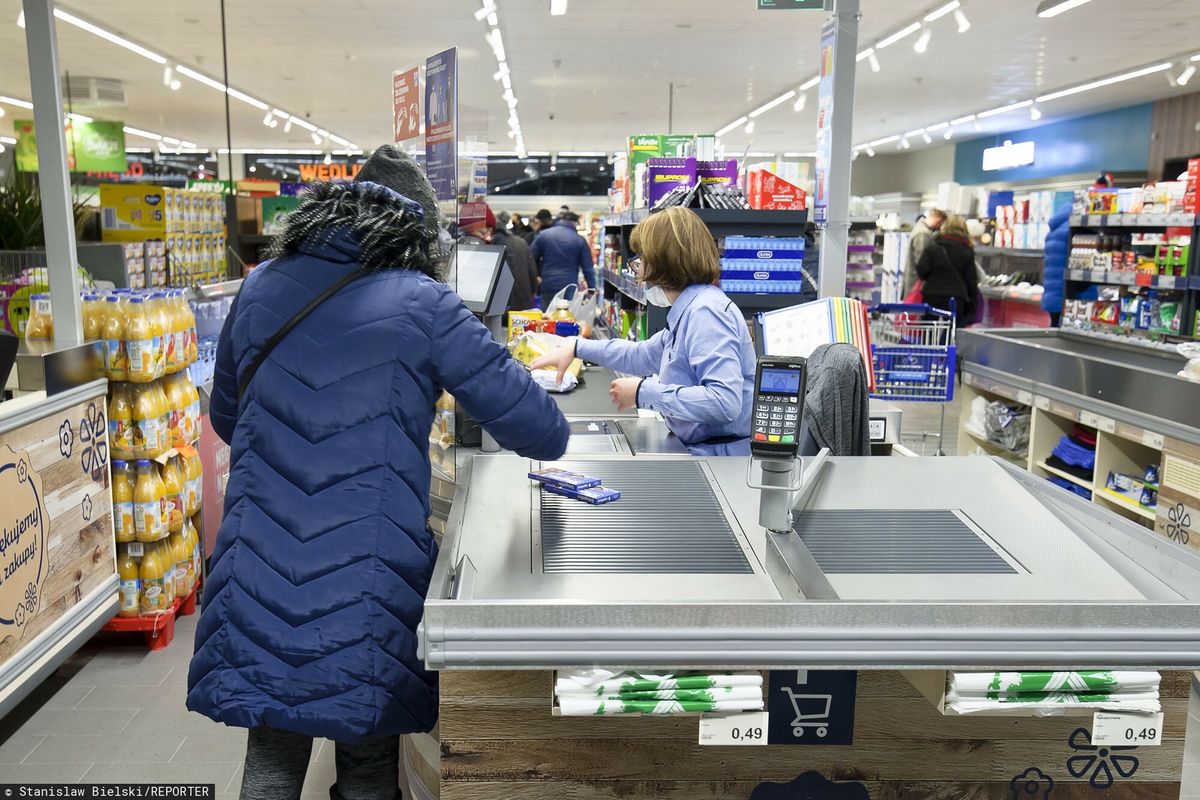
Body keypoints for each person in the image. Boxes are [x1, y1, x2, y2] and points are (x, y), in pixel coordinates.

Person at [187, 145, 570, 800]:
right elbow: (541, 430)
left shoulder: (260, 287)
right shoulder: (424, 303)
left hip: (257, 571)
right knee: (366, 768)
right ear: (417, 233)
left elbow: (226, 417)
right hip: (364, 586)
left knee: (272, 763)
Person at [529, 206, 755, 456]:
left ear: (663, 261)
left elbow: (724, 402)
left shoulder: (705, 313)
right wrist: (576, 346)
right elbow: (643, 355)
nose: (638, 274)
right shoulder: (690, 308)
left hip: (719, 460)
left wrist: (641, 392)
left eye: (641, 260)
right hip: (700, 448)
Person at [459, 203, 537, 313]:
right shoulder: (519, 242)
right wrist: (534, 292)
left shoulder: (485, 249)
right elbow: (531, 271)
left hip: (499, 312)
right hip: (518, 306)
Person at [917, 214, 977, 323]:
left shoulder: (932, 246)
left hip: (932, 295)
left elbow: (922, 271)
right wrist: (973, 301)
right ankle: (944, 341)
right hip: (955, 298)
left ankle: (931, 341)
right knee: (952, 331)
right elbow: (971, 279)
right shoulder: (967, 250)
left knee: (928, 330)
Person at [531, 210, 595, 310]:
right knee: (567, 316)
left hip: (548, 283)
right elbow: (588, 267)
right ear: (574, 222)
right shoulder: (579, 239)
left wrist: (535, 276)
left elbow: (530, 257)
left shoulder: (543, 235)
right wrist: (591, 288)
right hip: (570, 285)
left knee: (547, 316)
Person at [493, 210, 539, 311]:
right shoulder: (521, 242)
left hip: (501, 304)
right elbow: (532, 269)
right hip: (524, 298)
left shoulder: (491, 242)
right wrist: (534, 290)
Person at [903, 208, 946, 296]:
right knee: (914, 309)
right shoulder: (923, 234)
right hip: (916, 284)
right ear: (938, 220)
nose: (939, 227)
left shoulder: (920, 228)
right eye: (941, 224)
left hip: (914, 282)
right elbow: (921, 262)